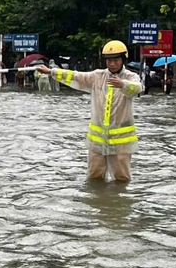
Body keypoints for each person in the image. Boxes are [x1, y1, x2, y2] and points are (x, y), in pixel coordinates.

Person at [36, 40, 141, 182]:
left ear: (123, 60)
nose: (112, 64)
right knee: (94, 178)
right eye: (109, 61)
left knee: (122, 179)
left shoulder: (130, 77)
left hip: (121, 143)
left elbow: (137, 88)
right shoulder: (97, 76)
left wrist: (123, 85)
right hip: (97, 141)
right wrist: (51, 72)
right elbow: (75, 76)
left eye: (116, 60)